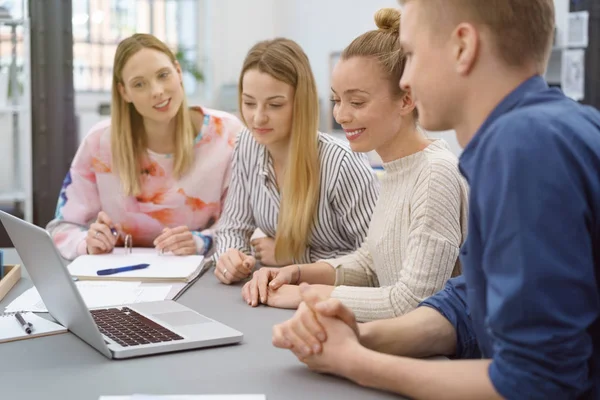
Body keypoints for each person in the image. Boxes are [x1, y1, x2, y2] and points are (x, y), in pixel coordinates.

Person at [272, 1, 600, 399]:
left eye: (409, 55)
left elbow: (538, 383)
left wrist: (355, 363)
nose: (405, 79)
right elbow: (472, 302)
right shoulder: (548, 129)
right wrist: (361, 336)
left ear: (463, 46)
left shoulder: (524, 147)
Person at [241, 8, 468, 321]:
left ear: (406, 100)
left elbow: (416, 303)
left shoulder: (435, 174)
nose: (341, 115)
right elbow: (370, 264)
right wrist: (296, 273)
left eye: (357, 102)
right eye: (337, 100)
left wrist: (310, 296)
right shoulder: (396, 170)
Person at [47, 33, 243, 261]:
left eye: (163, 75)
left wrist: (201, 241)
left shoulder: (227, 134)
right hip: (118, 280)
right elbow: (61, 229)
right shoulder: (99, 143)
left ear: (178, 72)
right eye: (139, 84)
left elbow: (241, 229)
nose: (157, 91)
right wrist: (87, 243)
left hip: (201, 276)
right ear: (124, 92)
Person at [213, 38, 380, 285]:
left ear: (300, 102)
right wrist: (231, 256)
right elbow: (232, 227)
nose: (257, 118)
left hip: (335, 301)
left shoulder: (343, 163)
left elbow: (375, 263)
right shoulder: (247, 144)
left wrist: (294, 256)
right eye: (249, 103)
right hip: (280, 293)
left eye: (275, 105)